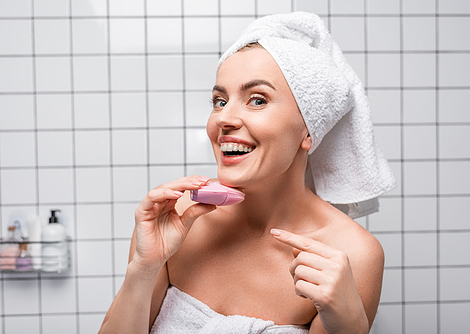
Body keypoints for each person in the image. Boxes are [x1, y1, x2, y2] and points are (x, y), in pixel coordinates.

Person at [99, 12, 395, 334]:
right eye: (219, 100)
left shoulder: (352, 256)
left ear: (308, 131)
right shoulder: (179, 217)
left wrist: (348, 326)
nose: (224, 117)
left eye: (257, 100)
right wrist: (143, 268)